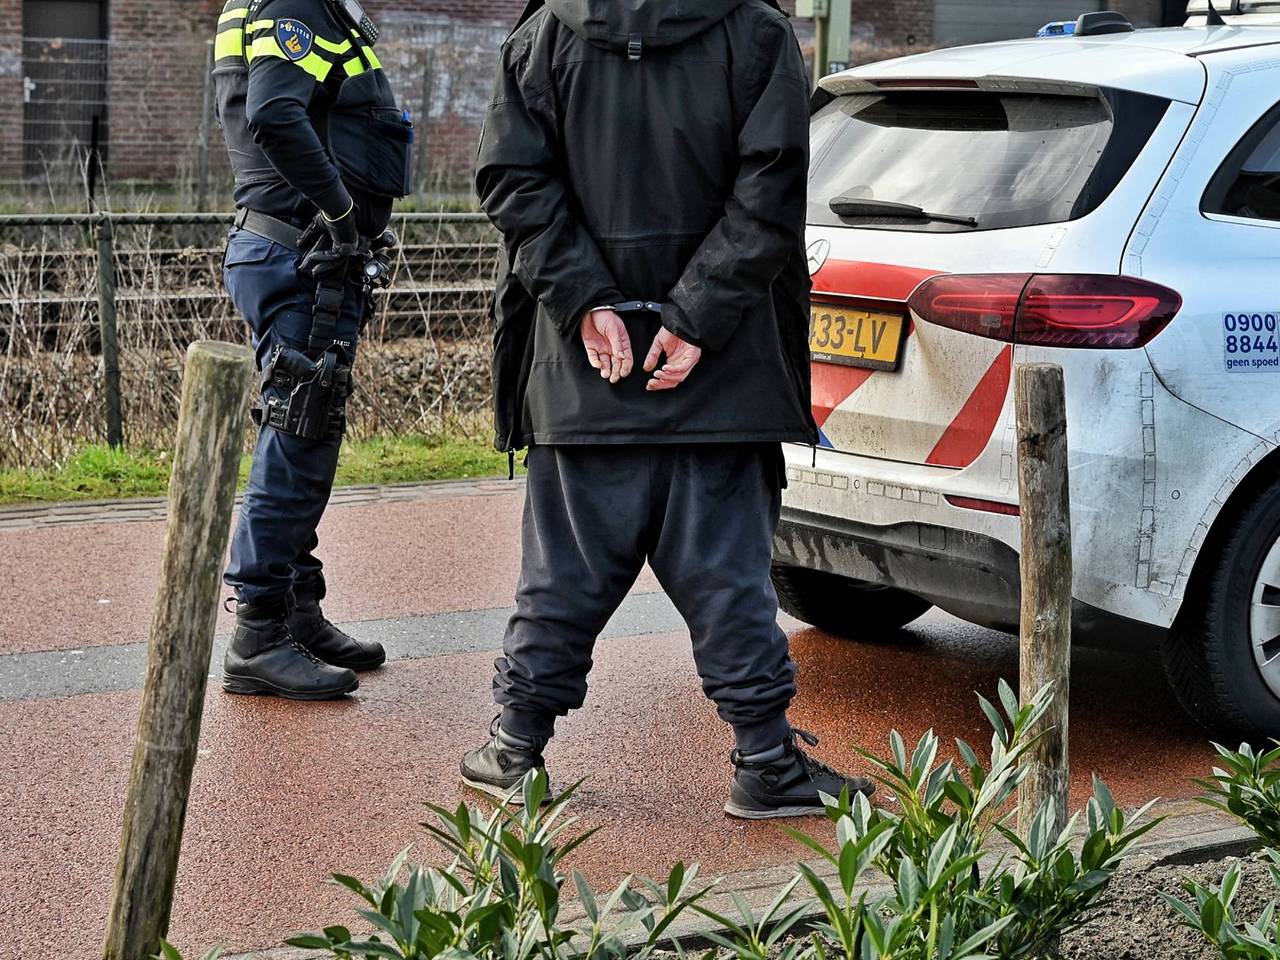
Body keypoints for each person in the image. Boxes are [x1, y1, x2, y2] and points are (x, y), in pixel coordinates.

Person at [463, 0, 875, 818]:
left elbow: (512, 181)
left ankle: (514, 748)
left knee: (562, 574)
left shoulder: (543, 36)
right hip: (724, 366)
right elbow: (770, 191)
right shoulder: (756, 32)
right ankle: (766, 762)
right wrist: (696, 318)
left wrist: (586, 302)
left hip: (581, 368)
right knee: (729, 576)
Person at [212, 0, 413, 699]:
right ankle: (259, 634)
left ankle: (297, 612)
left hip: (291, 250)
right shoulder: (297, 2)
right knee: (300, 431)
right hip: (303, 255)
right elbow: (273, 114)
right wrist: (343, 213)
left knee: (301, 431)